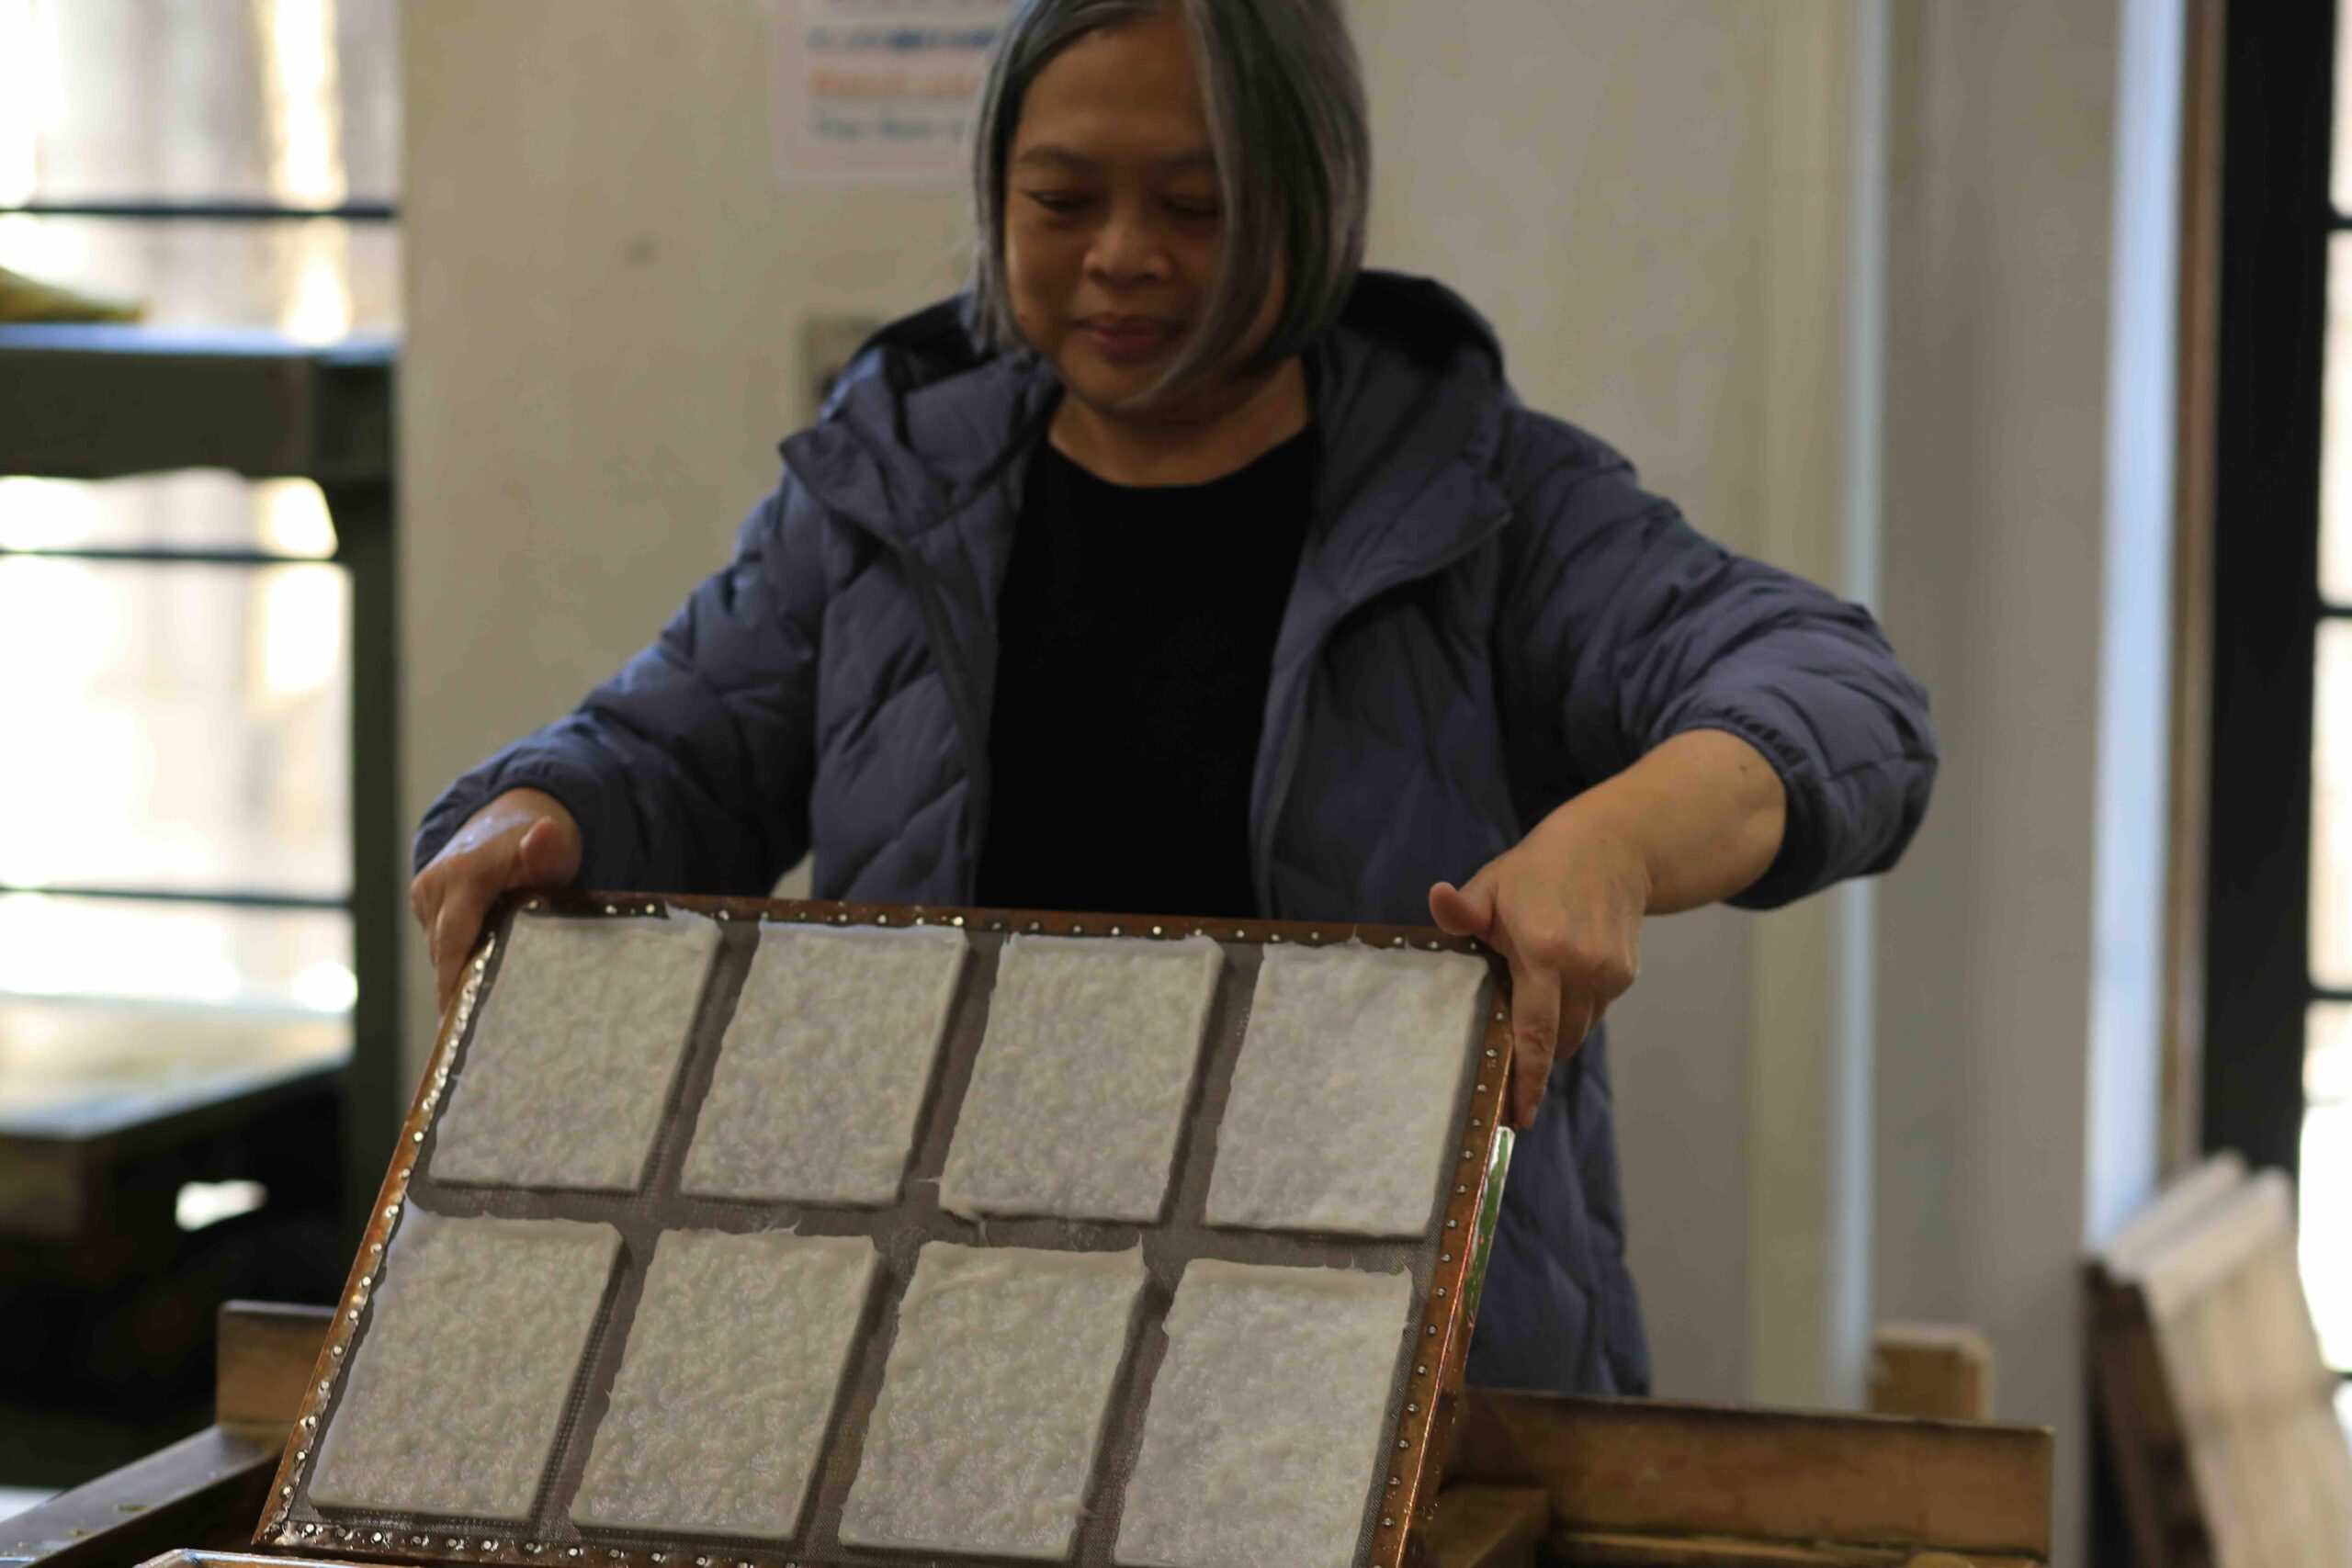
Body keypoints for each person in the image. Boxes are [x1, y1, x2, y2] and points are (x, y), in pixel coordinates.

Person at [409, 0, 1938, 1397]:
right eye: (1061, 201)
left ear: (1312, 205)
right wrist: (545, 811)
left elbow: (1841, 698)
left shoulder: (1486, 499)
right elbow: (672, 753)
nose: (1122, 256)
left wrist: (1617, 839)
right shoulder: (889, 492)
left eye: (1197, 208)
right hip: (939, 1356)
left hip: (1379, 1385)